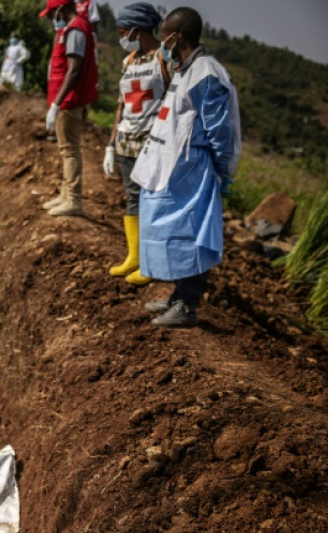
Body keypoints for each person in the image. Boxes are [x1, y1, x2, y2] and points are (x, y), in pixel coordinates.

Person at [130, 7, 241, 327]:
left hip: (192, 170)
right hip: (172, 168)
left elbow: (219, 128)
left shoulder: (206, 72)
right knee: (170, 232)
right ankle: (177, 296)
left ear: (177, 37)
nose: (161, 42)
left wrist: (221, 169)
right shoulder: (185, 69)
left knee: (191, 235)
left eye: (164, 35)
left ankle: (188, 305)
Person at [103, 2, 166, 286]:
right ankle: (135, 257)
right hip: (127, 142)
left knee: (152, 200)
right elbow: (122, 103)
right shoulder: (129, 61)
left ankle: (153, 263)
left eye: (123, 32)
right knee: (132, 197)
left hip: (153, 143)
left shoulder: (164, 57)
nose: (121, 37)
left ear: (138, 30)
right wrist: (111, 142)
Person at [40, 0, 98, 217]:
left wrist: (57, 103)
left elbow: (74, 70)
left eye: (52, 14)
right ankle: (66, 195)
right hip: (68, 100)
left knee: (70, 150)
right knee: (67, 149)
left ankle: (73, 199)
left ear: (61, 10)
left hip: (69, 102)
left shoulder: (76, 30)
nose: (51, 19)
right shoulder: (72, 29)